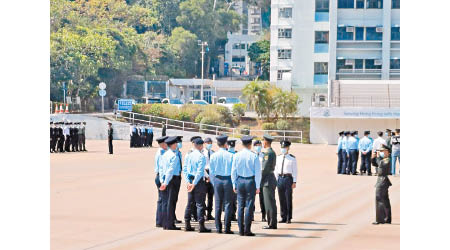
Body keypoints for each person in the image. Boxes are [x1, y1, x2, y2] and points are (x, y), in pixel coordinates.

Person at [231, 135, 261, 236]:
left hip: (240, 181)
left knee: (240, 206)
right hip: (250, 182)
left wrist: (233, 183)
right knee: (249, 206)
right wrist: (258, 186)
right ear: (250, 144)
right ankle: (247, 230)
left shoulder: (236, 155)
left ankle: (241, 230)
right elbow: (257, 173)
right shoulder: (254, 156)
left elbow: (233, 171)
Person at [183, 138, 211, 233]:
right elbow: (199, 172)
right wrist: (194, 184)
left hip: (190, 180)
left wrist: (188, 182)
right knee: (200, 204)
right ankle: (201, 226)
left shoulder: (188, 155)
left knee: (190, 203)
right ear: (200, 145)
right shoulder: (201, 156)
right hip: (198, 182)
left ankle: (187, 224)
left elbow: (185, 170)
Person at [209, 135, 234, 234]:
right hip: (228, 180)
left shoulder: (214, 155)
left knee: (218, 204)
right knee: (228, 204)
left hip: (217, 180)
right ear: (225, 144)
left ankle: (218, 228)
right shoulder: (231, 155)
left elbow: (211, 171)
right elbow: (233, 171)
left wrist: (213, 182)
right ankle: (227, 228)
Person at [159, 136, 182, 230]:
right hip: (173, 179)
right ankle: (170, 224)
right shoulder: (174, 156)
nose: (177, 145)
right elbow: (170, 170)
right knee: (171, 202)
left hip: (165, 179)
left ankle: (165, 223)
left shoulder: (165, 154)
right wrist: (165, 182)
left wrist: (162, 181)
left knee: (166, 202)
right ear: (172, 145)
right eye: (175, 144)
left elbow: (161, 168)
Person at [275, 140, 297, 224]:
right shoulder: (278, 157)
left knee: (288, 198)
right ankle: (283, 216)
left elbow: (295, 171)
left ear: (288, 148)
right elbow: (276, 169)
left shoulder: (292, 158)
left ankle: (288, 217)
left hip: (288, 179)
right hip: (280, 178)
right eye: (282, 147)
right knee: (281, 198)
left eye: (284, 147)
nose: (283, 149)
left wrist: (294, 181)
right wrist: (276, 180)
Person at [371, 145, 392, 224]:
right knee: (384, 199)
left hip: (383, 180)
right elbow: (375, 164)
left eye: (383, 151)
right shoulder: (383, 159)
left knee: (379, 198)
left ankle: (381, 219)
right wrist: (373, 157)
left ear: (388, 152)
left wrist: (378, 157)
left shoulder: (387, 160)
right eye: (381, 151)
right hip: (381, 180)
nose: (381, 152)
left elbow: (380, 164)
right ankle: (386, 218)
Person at [261, 134, 278, 230]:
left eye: (263, 141)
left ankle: (271, 223)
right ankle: (272, 222)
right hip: (269, 179)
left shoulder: (268, 153)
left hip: (267, 180)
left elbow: (264, 169)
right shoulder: (271, 152)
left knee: (269, 203)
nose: (262, 142)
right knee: (270, 202)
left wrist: (259, 179)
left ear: (266, 142)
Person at [154, 136, 168, 227]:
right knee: (163, 200)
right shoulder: (161, 153)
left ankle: (160, 221)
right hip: (161, 177)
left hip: (159, 176)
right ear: (162, 144)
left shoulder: (161, 152)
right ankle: (161, 221)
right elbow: (162, 168)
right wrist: (163, 181)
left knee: (161, 200)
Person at [203, 137, 215, 220]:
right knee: (203, 196)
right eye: (207, 143)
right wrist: (206, 176)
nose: (209, 144)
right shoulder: (202, 152)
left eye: (210, 142)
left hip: (212, 174)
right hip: (204, 174)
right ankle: (203, 213)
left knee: (210, 197)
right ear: (204, 143)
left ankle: (209, 213)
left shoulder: (213, 152)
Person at [253, 140, 265, 222]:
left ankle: (264, 216)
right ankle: (251, 215)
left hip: (262, 179)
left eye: (259, 145)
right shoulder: (251, 155)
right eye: (256, 145)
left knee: (262, 199)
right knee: (251, 199)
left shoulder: (264, 156)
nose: (258, 146)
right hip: (253, 179)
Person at [227, 139, 238, 221]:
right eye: (231, 146)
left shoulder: (237, 154)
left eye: (233, 146)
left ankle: (233, 214)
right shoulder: (226, 154)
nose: (232, 148)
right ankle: (227, 214)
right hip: (227, 178)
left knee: (234, 198)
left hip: (235, 179)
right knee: (227, 199)